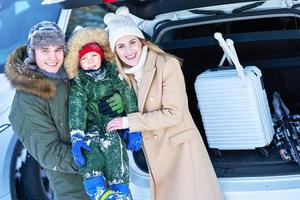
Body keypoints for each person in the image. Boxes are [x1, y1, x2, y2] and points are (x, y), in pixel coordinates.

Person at [103, 7, 224, 200]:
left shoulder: (166, 64)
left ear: (142, 42)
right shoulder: (125, 76)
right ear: (115, 51)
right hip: (155, 155)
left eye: (132, 42)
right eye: (121, 46)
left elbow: (174, 114)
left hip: (180, 151)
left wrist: (128, 122)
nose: (128, 51)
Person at [5, 21, 89, 199]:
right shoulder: (28, 98)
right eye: (45, 50)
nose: (53, 57)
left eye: (58, 49)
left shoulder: (71, 77)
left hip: (110, 178)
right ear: (32, 53)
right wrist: (95, 157)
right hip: (75, 190)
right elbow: (49, 154)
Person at [64, 27, 142, 200]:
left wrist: (133, 123)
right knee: (89, 148)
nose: (90, 61)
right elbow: (77, 106)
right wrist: (77, 134)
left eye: (93, 56)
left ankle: (120, 189)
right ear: (78, 62)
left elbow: (127, 93)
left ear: (101, 55)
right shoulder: (79, 82)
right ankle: (96, 189)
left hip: (112, 122)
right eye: (84, 58)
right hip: (90, 124)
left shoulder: (113, 73)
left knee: (115, 147)